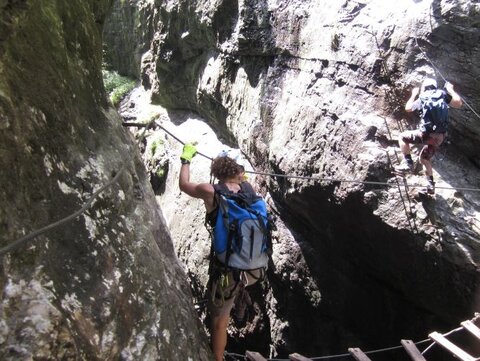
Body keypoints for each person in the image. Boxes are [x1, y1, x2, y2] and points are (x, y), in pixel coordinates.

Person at [178, 143, 267, 361]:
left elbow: (184, 185)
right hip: (255, 269)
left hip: (227, 271)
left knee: (219, 322)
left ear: (217, 174)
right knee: (232, 294)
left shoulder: (211, 192)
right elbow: (241, 179)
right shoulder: (251, 192)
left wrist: (186, 159)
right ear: (239, 172)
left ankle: (217, 359)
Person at [395, 78, 463, 194]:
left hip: (425, 134)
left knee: (402, 137)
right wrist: (450, 90)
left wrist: (414, 94)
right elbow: (458, 103)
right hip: (439, 138)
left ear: (424, 88)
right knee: (425, 158)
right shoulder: (442, 95)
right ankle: (431, 185)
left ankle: (408, 164)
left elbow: (408, 108)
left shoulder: (423, 97)